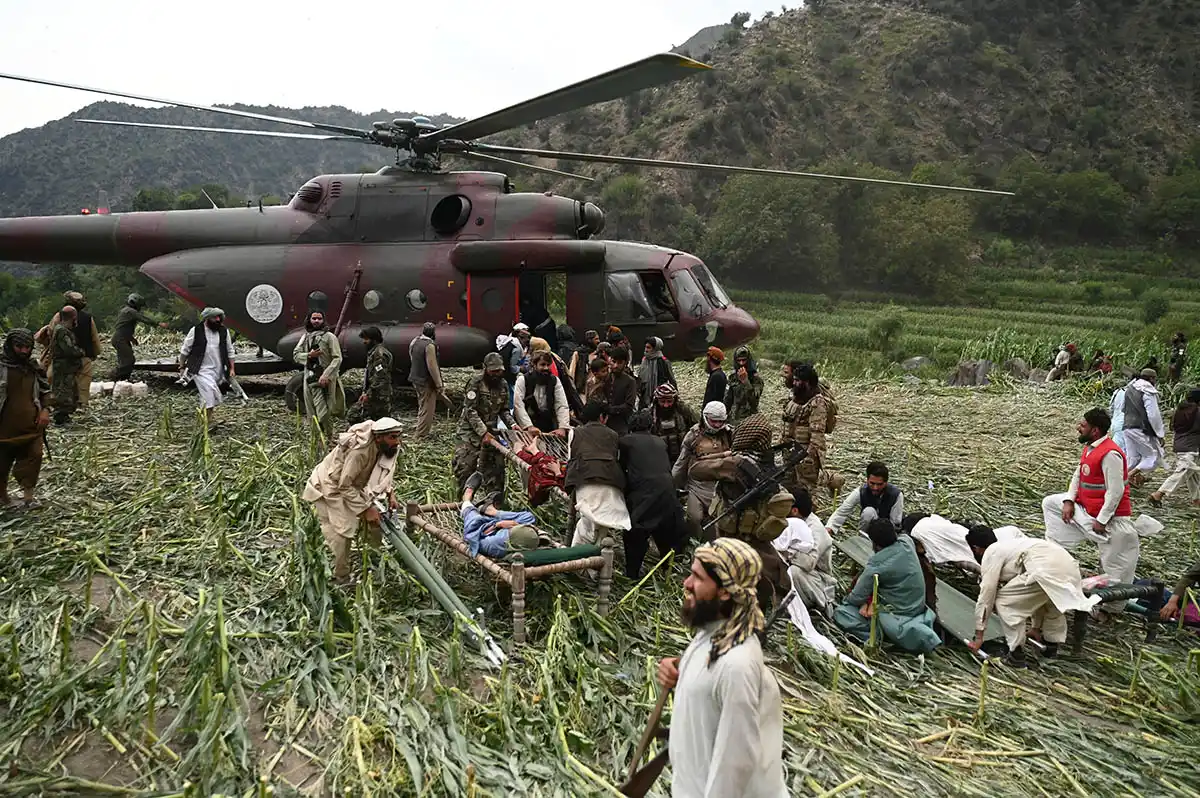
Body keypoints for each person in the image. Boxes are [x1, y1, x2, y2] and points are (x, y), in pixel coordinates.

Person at [656, 538, 787, 798]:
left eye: (697, 577)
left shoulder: (737, 665)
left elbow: (734, 766)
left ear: (725, 591)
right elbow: (710, 685)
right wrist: (682, 670)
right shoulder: (715, 634)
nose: (686, 583)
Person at [687, 413, 791, 609]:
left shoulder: (736, 464)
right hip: (757, 527)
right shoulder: (768, 461)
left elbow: (696, 470)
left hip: (733, 527)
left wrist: (725, 455)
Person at [966, 525, 1100, 666]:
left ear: (976, 548)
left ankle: (1016, 656)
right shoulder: (1014, 545)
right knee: (1049, 602)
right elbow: (1033, 597)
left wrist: (979, 635)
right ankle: (1050, 648)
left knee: (1004, 602)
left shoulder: (992, 551)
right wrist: (1035, 627)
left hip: (1043, 570)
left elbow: (987, 594)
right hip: (1068, 567)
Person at [1042, 408, 1140, 586]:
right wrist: (1069, 500)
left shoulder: (1110, 454)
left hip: (1112, 520)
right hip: (1088, 511)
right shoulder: (1090, 448)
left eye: (1083, 425)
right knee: (1050, 503)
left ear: (1095, 430)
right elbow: (1078, 475)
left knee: (1116, 575)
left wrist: (1102, 520)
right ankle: (1060, 550)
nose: (1078, 428)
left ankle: (1110, 606)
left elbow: (1115, 491)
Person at [301, 417, 402, 583]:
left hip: (355, 484)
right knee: (342, 531)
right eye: (393, 437)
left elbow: (385, 470)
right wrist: (365, 509)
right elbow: (344, 485)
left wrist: (390, 493)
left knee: (376, 523)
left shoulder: (388, 447)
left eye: (398, 436)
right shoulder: (359, 453)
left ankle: (373, 562)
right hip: (330, 485)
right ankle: (340, 576)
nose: (397, 441)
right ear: (378, 438)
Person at [833, 518, 942, 654]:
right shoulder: (906, 542)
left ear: (874, 543)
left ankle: (877, 636)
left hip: (897, 614)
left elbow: (856, 597)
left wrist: (849, 600)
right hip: (917, 606)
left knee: (841, 613)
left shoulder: (877, 565)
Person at [618, 410, 687, 578]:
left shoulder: (625, 442)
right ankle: (668, 570)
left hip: (645, 494)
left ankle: (632, 574)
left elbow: (621, 468)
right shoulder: (659, 442)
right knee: (666, 533)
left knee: (635, 535)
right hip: (668, 492)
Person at [564, 400, 631, 548]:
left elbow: (570, 459)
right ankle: (597, 555)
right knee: (602, 526)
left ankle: (577, 557)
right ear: (602, 417)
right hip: (612, 484)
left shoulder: (575, 432)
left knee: (587, 525)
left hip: (585, 481)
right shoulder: (613, 435)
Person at [452, 353, 515, 498]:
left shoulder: (503, 385)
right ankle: (463, 501)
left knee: (496, 469)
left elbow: (504, 410)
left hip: (491, 432)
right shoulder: (475, 383)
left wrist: (513, 425)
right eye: (493, 371)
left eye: (499, 371)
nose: (496, 374)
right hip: (469, 432)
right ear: (485, 368)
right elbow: (470, 411)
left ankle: (493, 501)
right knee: (465, 467)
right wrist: (483, 432)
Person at [0, 329, 51, 509]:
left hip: (31, 425)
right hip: (4, 427)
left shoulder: (33, 368)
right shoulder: (2, 367)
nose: (23, 351)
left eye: (27, 347)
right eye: (19, 346)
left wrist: (45, 411)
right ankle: (3, 498)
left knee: (33, 457)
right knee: (2, 463)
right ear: (10, 346)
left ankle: (28, 498)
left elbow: (45, 391)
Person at [673, 401, 734, 540]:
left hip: (720, 487)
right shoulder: (693, 436)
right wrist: (672, 485)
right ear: (705, 417)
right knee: (694, 518)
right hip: (697, 486)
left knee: (719, 521)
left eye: (720, 421)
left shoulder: (729, 434)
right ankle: (694, 542)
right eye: (714, 421)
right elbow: (681, 463)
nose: (717, 425)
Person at [772, 489, 836, 615]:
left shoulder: (814, 529)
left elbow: (808, 563)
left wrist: (788, 552)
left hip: (817, 577)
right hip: (798, 568)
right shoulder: (795, 521)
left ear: (795, 511)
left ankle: (812, 606)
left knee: (794, 572)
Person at [35, 291, 100, 411]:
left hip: (61, 358)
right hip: (81, 357)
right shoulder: (88, 318)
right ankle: (81, 405)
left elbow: (50, 334)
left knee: (53, 380)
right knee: (82, 382)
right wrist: (94, 353)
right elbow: (94, 337)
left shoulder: (58, 317)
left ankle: (52, 404)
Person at [179, 307, 237, 429]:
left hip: (218, 369)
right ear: (207, 318)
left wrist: (232, 369)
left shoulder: (223, 331)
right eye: (215, 317)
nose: (218, 320)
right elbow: (185, 350)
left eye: (219, 317)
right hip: (199, 369)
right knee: (209, 391)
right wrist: (182, 366)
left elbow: (230, 351)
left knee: (208, 395)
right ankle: (205, 422)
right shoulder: (196, 330)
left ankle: (205, 421)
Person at [459, 472, 540, 558]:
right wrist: (514, 525)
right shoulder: (526, 538)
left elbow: (473, 539)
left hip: (485, 528)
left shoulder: (493, 545)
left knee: (474, 520)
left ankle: (466, 499)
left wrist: (497, 525)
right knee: (529, 517)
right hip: (507, 529)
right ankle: (491, 511)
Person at [292, 310, 346, 439]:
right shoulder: (305, 337)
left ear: (323, 320)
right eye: (314, 318)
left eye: (319, 318)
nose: (316, 321)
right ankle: (316, 438)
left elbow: (337, 358)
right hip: (309, 377)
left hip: (325, 378)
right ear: (309, 320)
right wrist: (309, 355)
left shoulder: (329, 337)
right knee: (311, 409)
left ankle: (328, 436)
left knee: (325, 410)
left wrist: (326, 375)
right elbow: (296, 354)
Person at [779, 362, 829, 498]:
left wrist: (808, 457)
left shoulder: (817, 403)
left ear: (807, 383)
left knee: (806, 492)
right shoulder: (795, 398)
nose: (794, 383)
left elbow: (817, 434)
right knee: (787, 488)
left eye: (797, 380)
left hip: (804, 456)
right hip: (789, 452)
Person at [1150, 388, 1200, 507]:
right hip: (1191, 447)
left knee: (1193, 475)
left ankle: (1197, 500)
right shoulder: (1197, 412)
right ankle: (1159, 493)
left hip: (1180, 444)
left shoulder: (1179, 410)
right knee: (1182, 472)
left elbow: (1172, 427)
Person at [1116, 368, 1165, 486]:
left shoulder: (1129, 389)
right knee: (1153, 457)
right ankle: (1129, 476)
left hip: (1127, 427)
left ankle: (1116, 481)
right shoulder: (1147, 390)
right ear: (1151, 378)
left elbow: (1122, 408)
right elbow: (1153, 415)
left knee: (1133, 459)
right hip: (1140, 428)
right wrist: (1160, 434)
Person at [826, 461, 904, 535]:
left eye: (879, 484)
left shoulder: (896, 495)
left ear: (886, 482)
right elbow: (842, 511)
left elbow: (895, 523)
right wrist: (830, 528)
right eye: (872, 483)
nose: (875, 488)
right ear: (867, 480)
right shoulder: (861, 491)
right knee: (868, 512)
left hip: (887, 533)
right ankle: (862, 539)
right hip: (867, 531)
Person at [111, 293, 169, 380]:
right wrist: (158, 323)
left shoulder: (126, 310)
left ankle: (123, 379)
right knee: (129, 360)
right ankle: (114, 376)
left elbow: (124, 328)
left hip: (121, 338)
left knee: (124, 360)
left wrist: (132, 339)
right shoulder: (130, 311)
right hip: (120, 339)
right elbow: (144, 318)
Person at [513, 350, 569, 435]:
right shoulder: (523, 380)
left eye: (548, 365)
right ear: (534, 365)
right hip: (526, 425)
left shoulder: (554, 381)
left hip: (547, 424)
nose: (546, 368)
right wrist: (529, 426)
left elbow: (561, 405)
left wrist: (562, 427)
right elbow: (518, 405)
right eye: (542, 365)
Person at [408, 322, 446, 437]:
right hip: (425, 381)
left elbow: (412, 357)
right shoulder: (430, 345)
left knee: (422, 404)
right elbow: (432, 366)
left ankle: (420, 428)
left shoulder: (415, 341)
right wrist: (439, 384)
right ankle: (421, 434)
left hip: (415, 378)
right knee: (428, 408)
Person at [49, 306, 84, 426]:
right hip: (63, 367)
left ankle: (65, 415)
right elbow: (68, 349)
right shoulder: (62, 331)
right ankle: (60, 417)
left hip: (66, 367)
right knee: (63, 391)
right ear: (73, 317)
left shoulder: (62, 329)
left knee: (69, 390)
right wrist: (80, 352)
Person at [649, 382, 697, 465]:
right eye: (662, 401)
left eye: (669, 401)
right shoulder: (650, 414)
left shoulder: (684, 411)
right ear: (657, 401)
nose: (666, 405)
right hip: (659, 458)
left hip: (682, 456)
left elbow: (698, 428)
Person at [599, 347, 637, 435]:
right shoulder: (605, 378)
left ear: (625, 363)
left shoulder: (630, 381)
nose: (615, 365)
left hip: (621, 423)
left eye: (619, 363)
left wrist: (610, 409)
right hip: (603, 422)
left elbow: (629, 406)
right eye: (613, 361)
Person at [723, 345, 763, 425]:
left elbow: (754, 402)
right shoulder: (732, 378)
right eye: (739, 360)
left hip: (749, 421)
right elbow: (727, 400)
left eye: (744, 360)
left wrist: (746, 382)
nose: (741, 363)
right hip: (733, 420)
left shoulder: (756, 380)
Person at [636, 336, 676, 409]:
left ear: (655, 348)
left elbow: (671, 378)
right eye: (645, 347)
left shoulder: (663, 361)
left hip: (659, 394)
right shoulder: (644, 360)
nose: (646, 350)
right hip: (645, 393)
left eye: (648, 348)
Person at [568, 329, 600, 396]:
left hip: (595, 387)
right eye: (596, 339)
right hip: (582, 389)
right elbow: (572, 371)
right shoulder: (578, 353)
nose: (598, 341)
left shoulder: (599, 353)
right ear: (590, 340)